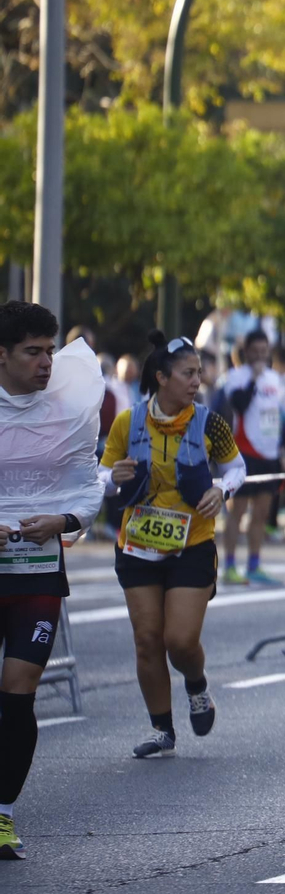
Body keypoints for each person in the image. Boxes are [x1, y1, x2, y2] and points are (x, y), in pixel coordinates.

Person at [102, 331, 246, 759]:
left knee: (179, 641)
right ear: (161, 377)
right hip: (137, 546)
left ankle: (197, 685)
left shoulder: (209, 422)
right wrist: (114, 479)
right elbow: (101, 479)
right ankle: (162, 728)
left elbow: (236, 466)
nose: (196, 381)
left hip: (193, 544)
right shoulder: (128, 423)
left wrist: (223, 488)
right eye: (188, 373)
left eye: (199, 373)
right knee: (148, 641)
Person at [0, 302, 104, 859]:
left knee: (18, 695)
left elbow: (87, 487)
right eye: (32, 352)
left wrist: (62, 522)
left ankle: (3, 813)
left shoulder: (68, 406)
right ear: (2, 355)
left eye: (49, 351)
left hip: (37, 569)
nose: (45, 363)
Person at [220, 330, 285, 587]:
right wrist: (254, 378)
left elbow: (280, 418)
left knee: (261, 513)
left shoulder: (275, 379)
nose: (260, 355)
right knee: (237, 512)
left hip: (269, 455)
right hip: (244, 453)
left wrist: (282, 452)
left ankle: (254, 565)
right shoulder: (236, 377)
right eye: (255, 351)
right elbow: (239, 404)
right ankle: (228, 566)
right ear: (247, 352)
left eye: (264, 350)